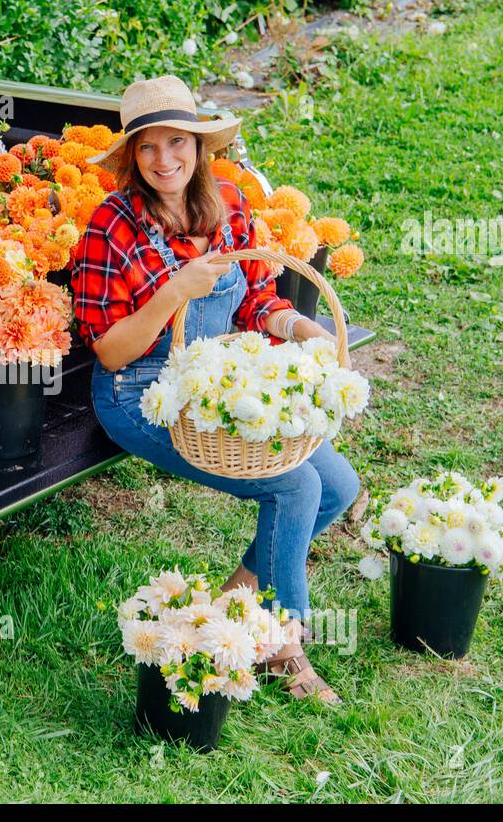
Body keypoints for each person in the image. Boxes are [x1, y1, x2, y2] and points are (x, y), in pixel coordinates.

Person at [72, 75, 359, 704]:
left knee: (339, 486)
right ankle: (285, 647)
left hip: (214, 378)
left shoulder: (228, 202)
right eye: (147, 148)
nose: (163, 160)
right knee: (297, 483)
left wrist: (301, 327)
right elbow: (111, 349)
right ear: (132, 157)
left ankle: (235, 598)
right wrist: (173, 290)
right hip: (142, 393)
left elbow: (256, 298)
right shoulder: (110, 228)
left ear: (201, 148)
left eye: (177, 142)